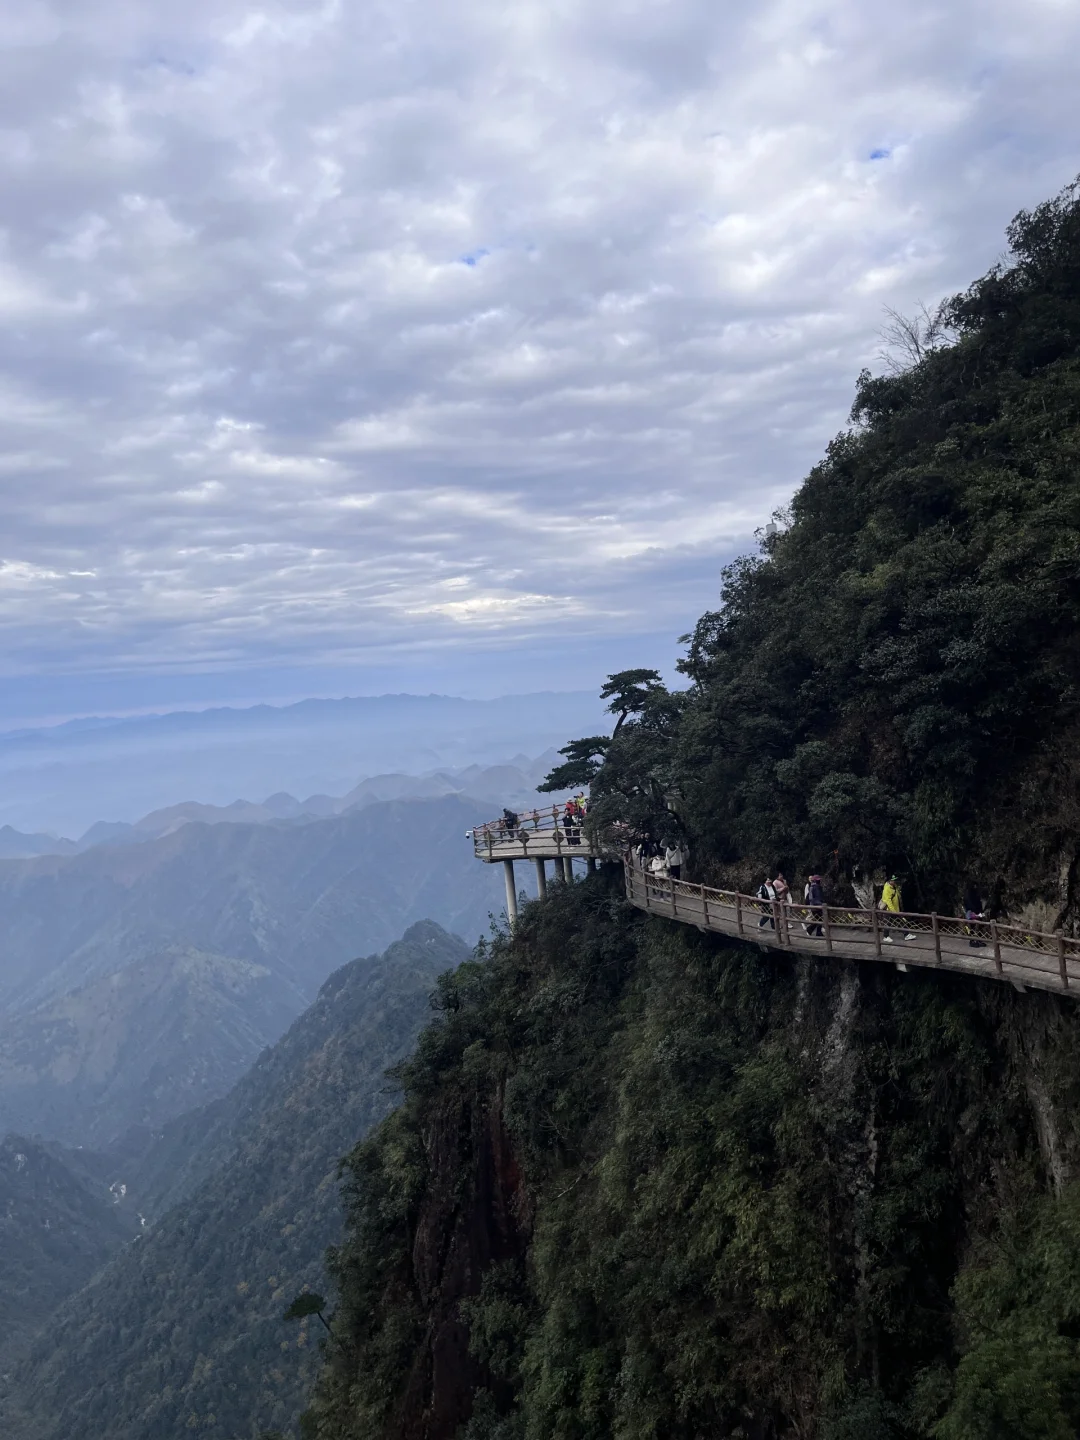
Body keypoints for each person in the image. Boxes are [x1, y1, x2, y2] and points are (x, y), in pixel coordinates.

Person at [964, 883, 987, 948]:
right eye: (975, 885)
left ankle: (977, 940)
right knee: (972, 927)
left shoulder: (974, 893)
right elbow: (969, 904)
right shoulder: (969, 894)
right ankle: (973, 941)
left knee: (978, 926)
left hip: (975, 912)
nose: (975, 887)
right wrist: (976, 912)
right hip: (972, 912)